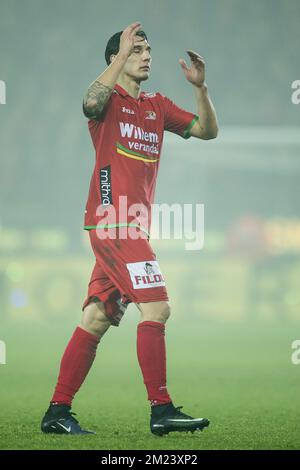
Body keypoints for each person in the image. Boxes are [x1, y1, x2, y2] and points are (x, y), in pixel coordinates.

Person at [41, 21, 218, 436]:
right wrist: (119, 55)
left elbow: (208, 132)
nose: (146, 56)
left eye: (147, 50)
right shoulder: (107, 102)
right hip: (113, 221)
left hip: (130, 228)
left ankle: (57, 412)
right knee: (157, 307)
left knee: (97, 317)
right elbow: (87, 103)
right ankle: (162, 409)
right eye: (137, 50)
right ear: (116, 59)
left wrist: (200, 89)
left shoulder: (158, 105)